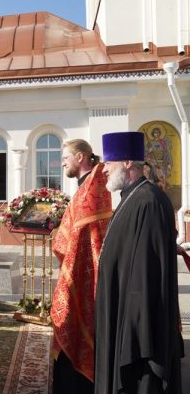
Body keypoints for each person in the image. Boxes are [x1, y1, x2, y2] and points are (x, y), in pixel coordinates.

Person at [95, 132, 183, 393]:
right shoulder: (130, 198)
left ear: (128, 163)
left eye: (108, 165)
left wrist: (135, 331)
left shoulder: (150, 201)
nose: (104, 171)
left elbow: (148, 271)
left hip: (138, 321)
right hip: (122, 308)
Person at [50, 140, 112, 393]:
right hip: (76, 265)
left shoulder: (94, 187)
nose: (62, 162)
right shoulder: (86, 185)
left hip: (84, 268)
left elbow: (87, 235)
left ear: (81, 156)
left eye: (65, 157)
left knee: (79, 321)